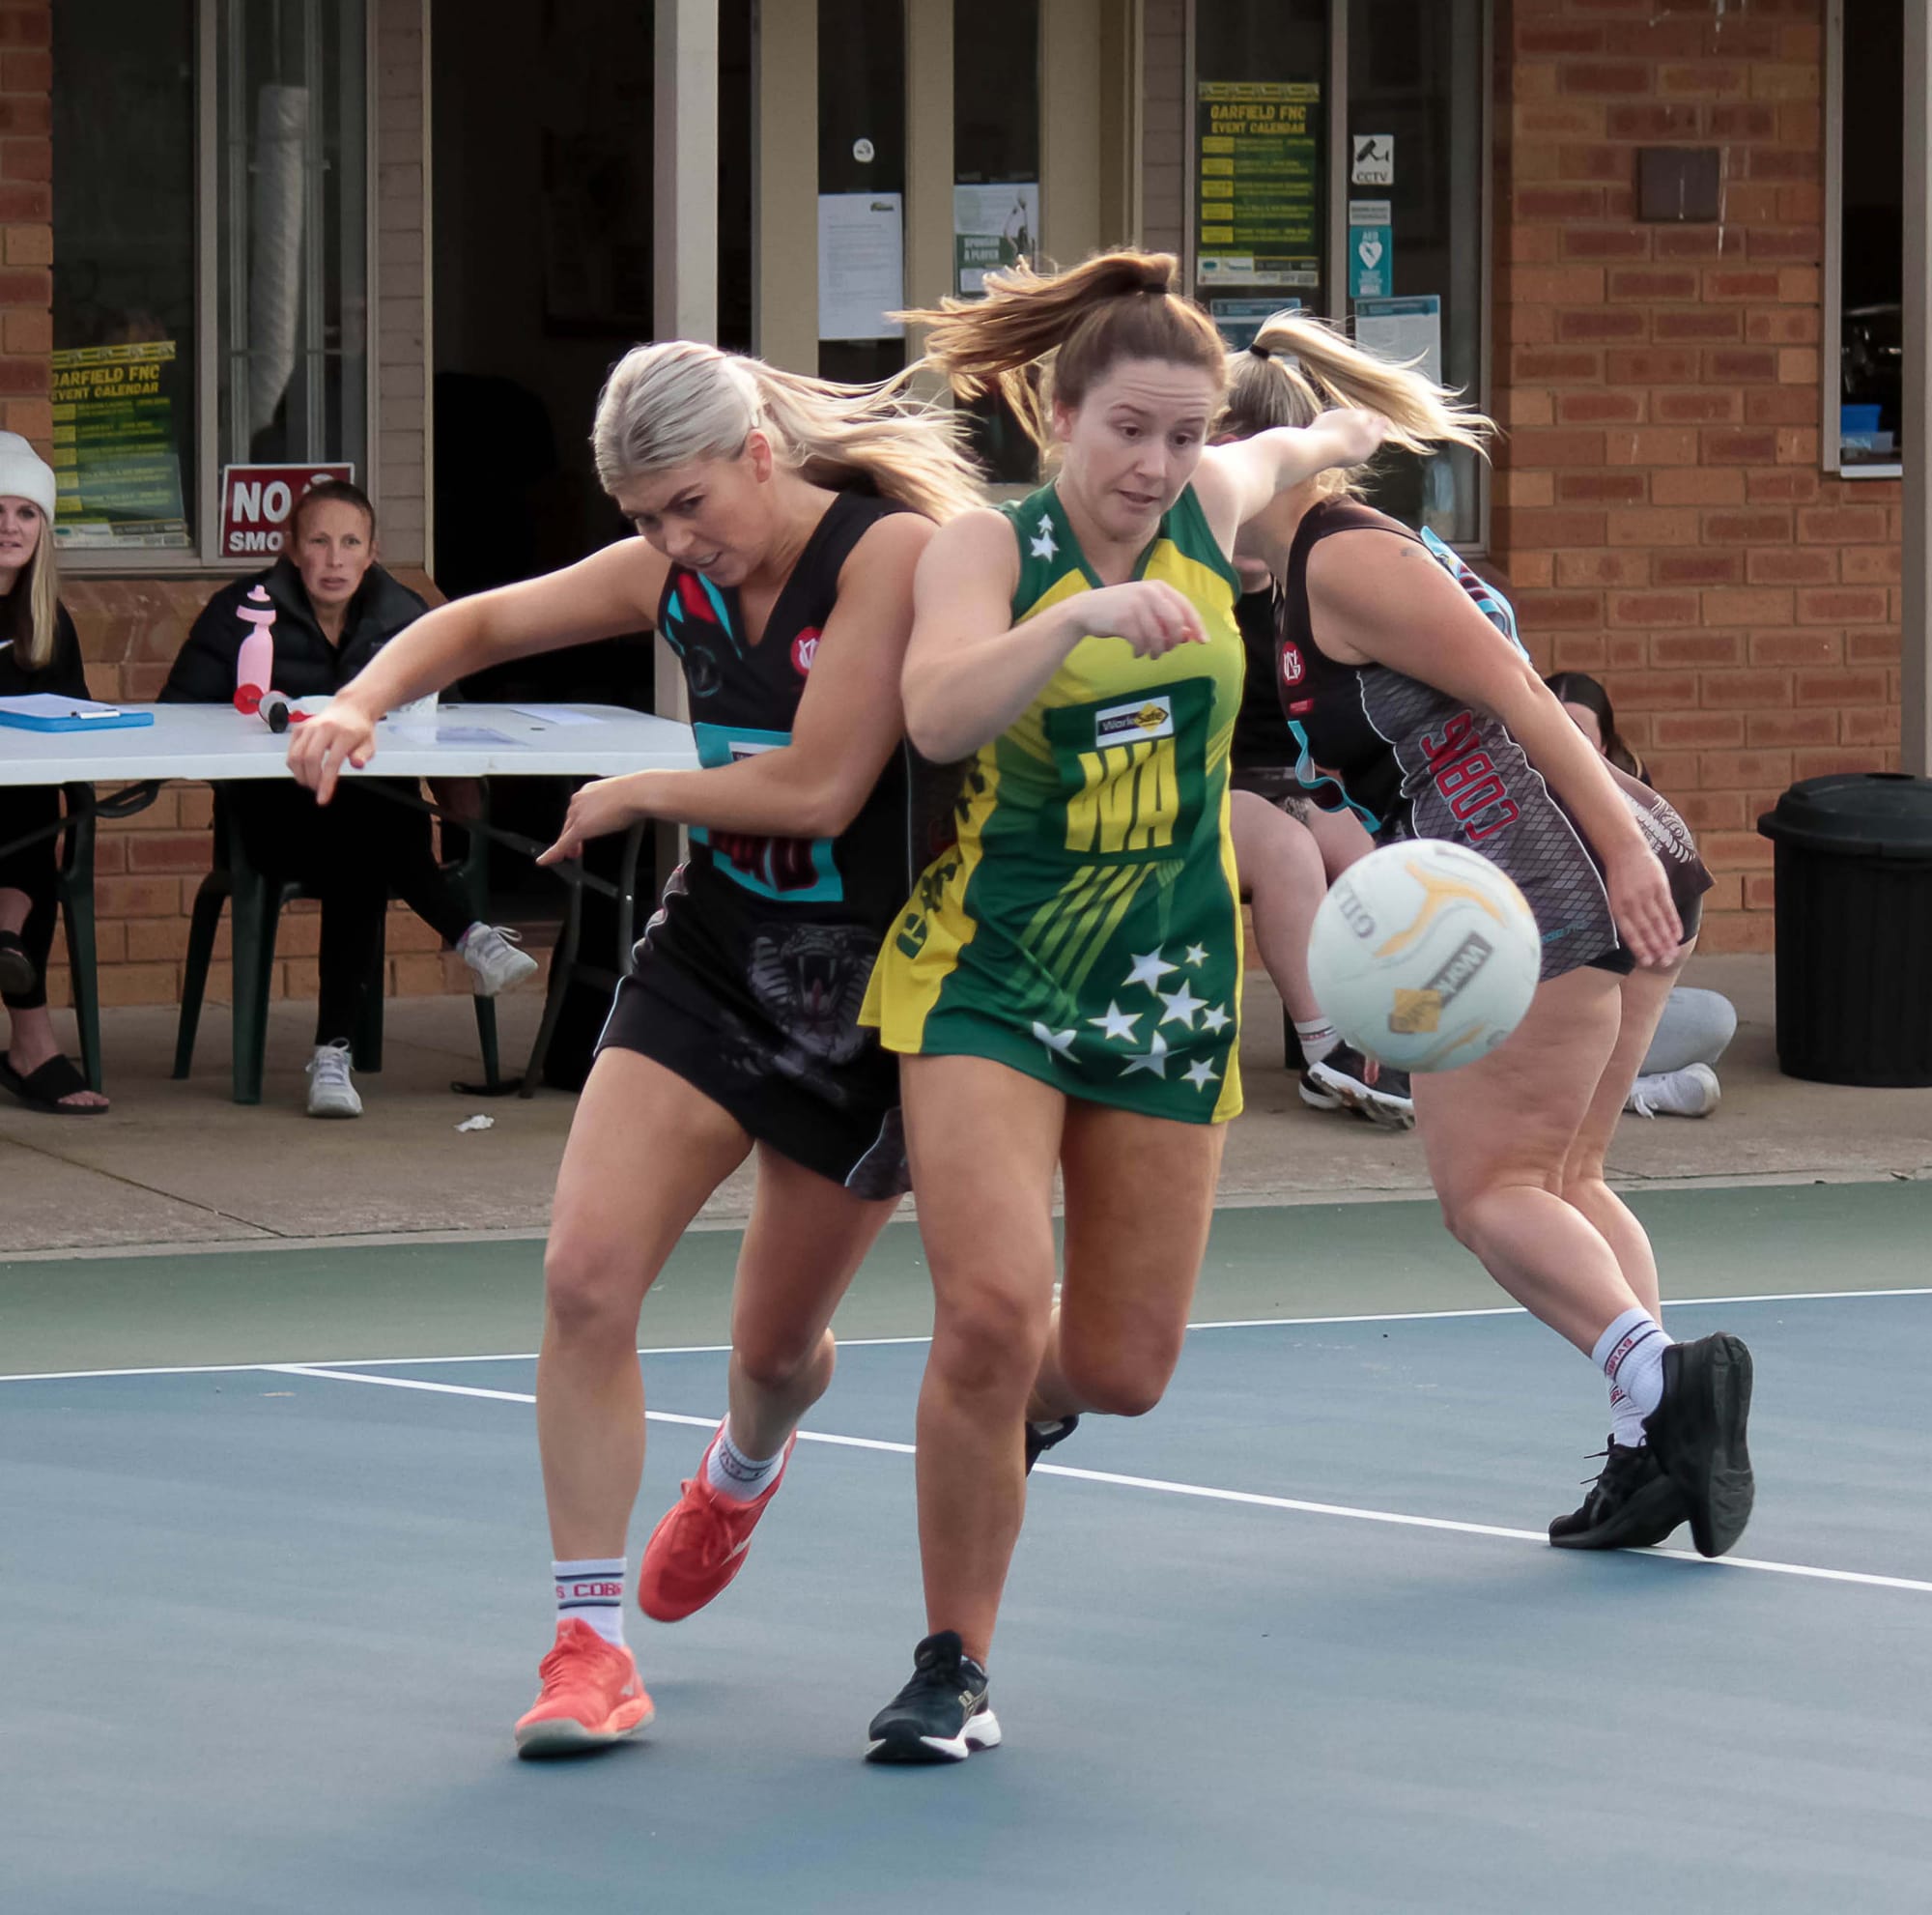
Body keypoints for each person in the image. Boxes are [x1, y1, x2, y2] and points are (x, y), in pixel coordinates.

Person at [287, 341, 982, 1758]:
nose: (673, 544)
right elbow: (472, 625)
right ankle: (589, 1644)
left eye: (685, 505)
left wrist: (634, 790)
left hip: (868, 994)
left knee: (776, 1349)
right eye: (645, 520)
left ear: (756, 451)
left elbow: (823, 784)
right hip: (715, 954)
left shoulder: (889, 556)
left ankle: (741, 1466)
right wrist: (365, 698)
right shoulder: (676, 570)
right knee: (584, 1277)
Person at [858, 252, 1386, 1762]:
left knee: (1126, 1366)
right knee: (987, 1313)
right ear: (1057, 413)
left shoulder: (1213, 512)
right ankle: (952, 1661)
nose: (1155, 467)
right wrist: (1074, 628)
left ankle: (1010, 1415)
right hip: (992, 973)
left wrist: (1346, 425)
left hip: (1167, 980)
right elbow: (938, 710)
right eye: (1128, 434)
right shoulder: (984, 546)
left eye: (1182, 435)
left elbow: (1301, 444)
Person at [1227, 313, 1753, 1565]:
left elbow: (1525, 691)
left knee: (1492, 1190)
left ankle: (1668, 1385)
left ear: (1266, 451)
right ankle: (1650, 1443)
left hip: (1534, 865)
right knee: (1562, 1178)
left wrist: (1620, 857)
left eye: (1200, 446)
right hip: (1562, 854)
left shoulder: (1342, 558)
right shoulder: (1302, 570)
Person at [161, 480, 538, 1117]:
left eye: (350, 543)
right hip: (272, 818)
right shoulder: (243, 611)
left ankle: (334, 1057)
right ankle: (465, 939)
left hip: (374, 816)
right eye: (319, 541)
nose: (334, 559)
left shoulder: (404, 615)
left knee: (365, 835)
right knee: (370, 836)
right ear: (291, 548)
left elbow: (451, 719)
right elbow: (176, 715)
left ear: (371, 552)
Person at [1225, 460, 1406, 1127]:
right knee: (1288, 853)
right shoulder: (1187, 595)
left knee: (1368, 854)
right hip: (1219, 784)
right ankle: (1324, 1047)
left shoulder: (1309, 596)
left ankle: (1384, 1037)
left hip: (1302, 781)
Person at [1547, 671, 1736, 1119]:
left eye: (1578, 737)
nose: (1561, 749)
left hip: (1608, 999)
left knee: (1714, 1017)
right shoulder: (1511, 809)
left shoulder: (1636, 815)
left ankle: (1615, 1087)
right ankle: (1633, 1089)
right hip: (1534, 1005)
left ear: (1606, 748)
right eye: (1552, 732)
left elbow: (1660, 948)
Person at [0, 434, 109, 1114]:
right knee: (25, 817)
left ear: (43, 529)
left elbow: (75, 721)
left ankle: (7, 933)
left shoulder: (47, 622)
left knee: (38, 807)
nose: (9, 527)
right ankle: (31, 1044)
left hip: (19, 812)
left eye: (25, 513)